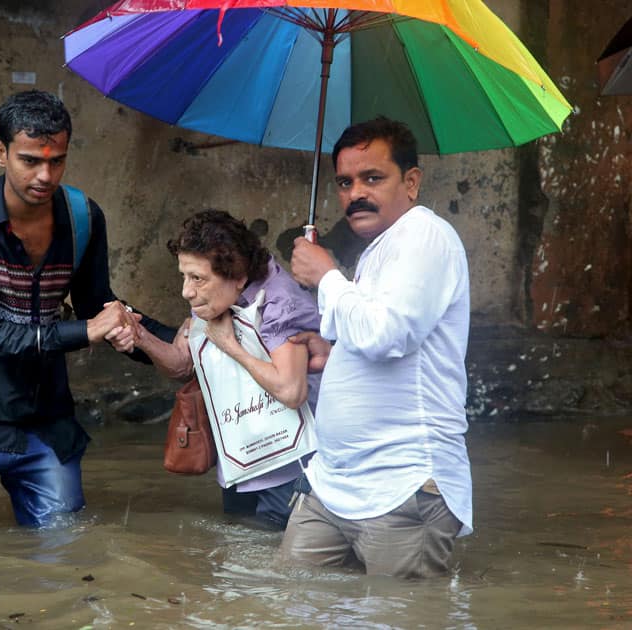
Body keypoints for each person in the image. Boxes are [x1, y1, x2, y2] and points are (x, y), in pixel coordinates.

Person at [0, 90, 172, 531]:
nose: (44, 175)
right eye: (31, 160)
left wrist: (177, 342)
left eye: (56, 161)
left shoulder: (83, 218)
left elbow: (100, 305)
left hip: (46, 422)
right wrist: (85, 331)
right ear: (1, 153)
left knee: (67, 562)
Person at [281, 117, 472, 578]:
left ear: (411, 182)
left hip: (402, 485)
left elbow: (388, 335)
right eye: (345, 182)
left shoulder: (425, 236)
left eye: (372, 178)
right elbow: (374, 337)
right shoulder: (380, 250)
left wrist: (326, 275)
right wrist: (333, 352)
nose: (355, 194)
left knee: (400, 619)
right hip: (334, 485)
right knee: (291, 603)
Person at [108, 210, 321, 530]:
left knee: (280, 573)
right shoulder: (216, 295)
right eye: (185, 276)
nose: (186, 291)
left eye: (197, 278)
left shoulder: (279, 301)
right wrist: (141, 338)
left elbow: (292, 391)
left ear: (237, 274)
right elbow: (182, 364)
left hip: (290, 471)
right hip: (240, 467)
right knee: (234, 569)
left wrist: (231, 346)